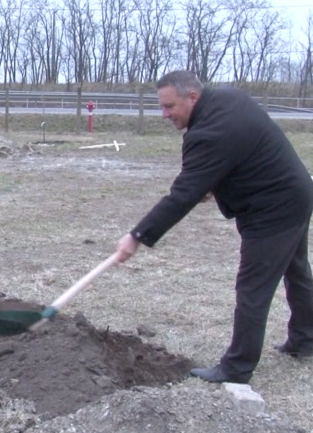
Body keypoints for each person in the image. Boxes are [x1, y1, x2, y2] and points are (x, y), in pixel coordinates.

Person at [114, 70, 313, 384]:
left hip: (273, 209)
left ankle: (236, 368)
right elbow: (240, 152)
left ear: (193, 97)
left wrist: (137, 236)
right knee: (297, 271)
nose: (163, 114)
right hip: (297, 192)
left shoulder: (208, 134)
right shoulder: (227, 98)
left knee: (252, 289)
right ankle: (305, 338)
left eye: (169, 107)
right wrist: (212, 181)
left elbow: (182, 195)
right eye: (161, 107)